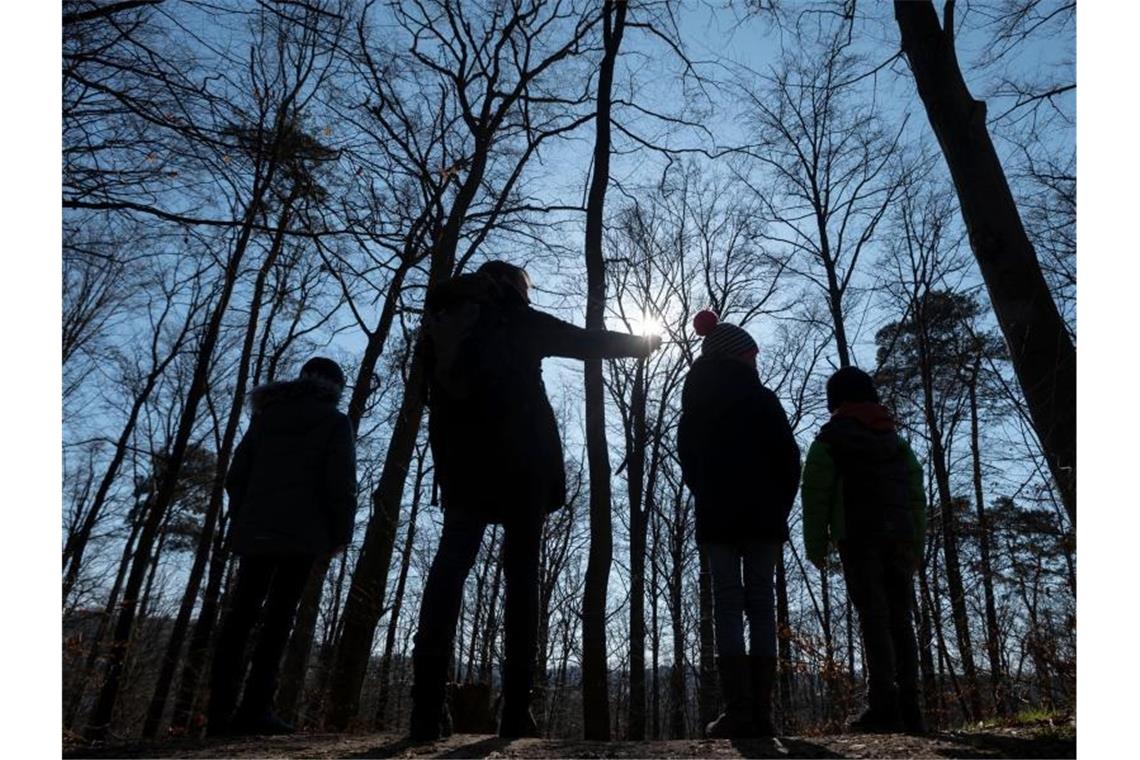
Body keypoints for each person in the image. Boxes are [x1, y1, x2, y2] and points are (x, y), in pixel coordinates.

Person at [409, 260, 660, 740]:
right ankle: (516, 711)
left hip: (462, 469)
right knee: (522, 579)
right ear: (516, 289)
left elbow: (430, 397)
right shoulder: (519, 320)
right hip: (522, 470)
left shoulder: (443, 325)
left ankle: (425, 707)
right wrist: (645, 341)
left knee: (449, 570)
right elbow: (587, 342)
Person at [207, 357, 357, 736]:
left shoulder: (266, 417)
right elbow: (340, 485)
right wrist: (340, 535)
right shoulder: (334, 422)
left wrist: (243, 517)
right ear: (335, 387)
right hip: (302, 537)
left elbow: (236, 475)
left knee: (239, 618)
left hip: (255, 532)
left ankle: (218, 712)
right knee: (277, 622)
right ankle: (255, 710)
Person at [677, 310, 801, 738]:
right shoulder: (764, 401)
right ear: (738, 356)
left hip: (717, 515)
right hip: (764, 517)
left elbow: (688, 462)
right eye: (752, 355)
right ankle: (761, 713)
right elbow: (790, 461)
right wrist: (779, 506)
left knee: (728, 605)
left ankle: (739, 710)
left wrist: (708, 494)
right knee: (762, 605)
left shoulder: (695, 404)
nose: (756, 362)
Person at [800, 366, 927, 733]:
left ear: (834, 400)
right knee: (901, 620)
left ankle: (883, 706)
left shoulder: (829, 440)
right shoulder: (895, 441)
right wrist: (916, 543)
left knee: (874, 619)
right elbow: (916, 494)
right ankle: (911, 708)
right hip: (899, 538)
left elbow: (815, 494)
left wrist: (817, 545)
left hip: (857, 536)